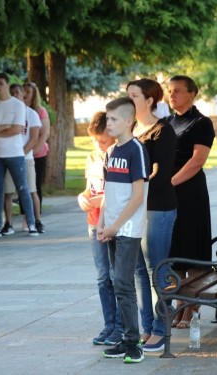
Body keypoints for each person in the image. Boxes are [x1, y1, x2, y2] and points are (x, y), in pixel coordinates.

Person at [98, 97, 150, 363]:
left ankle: (134, 344)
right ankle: (126, 339)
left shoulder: (136, 150)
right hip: (112, 228)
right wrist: (101, 223)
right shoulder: (110, 152)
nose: (109, 123)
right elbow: (108, 192)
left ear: (129, 121)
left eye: (115, 119)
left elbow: (138, 196)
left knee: (123, 284)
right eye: (108, 119)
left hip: (128, 229)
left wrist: (116, 226)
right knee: (118, 283)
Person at [126, 78, 177, 351]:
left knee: (156, 268)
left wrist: (137, 196)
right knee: (139, 272)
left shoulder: (162, 131)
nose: (129, 100)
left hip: (158, 207)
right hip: (136, 208)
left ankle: (161, 329)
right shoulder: (130, 129)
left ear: (149, 100)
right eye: (128, 95)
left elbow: (160, 173)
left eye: (134, 95)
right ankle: (148, 329)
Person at [163, 75, 215, 328]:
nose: (172, 95)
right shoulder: (167, 122)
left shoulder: (201, 122)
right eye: (170, 91)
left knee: (191, 247)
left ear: (192, 93)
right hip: (168, 193)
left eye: (178, 91)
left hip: (190, 190)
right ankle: (179, 301)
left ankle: (191, 307)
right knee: (175, 250)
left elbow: (197, 161)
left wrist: (170, 182)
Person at [78, 111, 122, 346]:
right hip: (94, 222)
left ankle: (120, 326)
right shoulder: (92, 158)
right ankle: (109, 324)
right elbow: (89, 188)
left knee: (116, 276)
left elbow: (119, 193)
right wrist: (82, 197)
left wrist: (100, 200)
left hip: (113, 223)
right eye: (95, 140)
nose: (98, 145)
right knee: (102, 276)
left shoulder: (117, 157)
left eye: (103, 141)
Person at [0, 73, 38, 237]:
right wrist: (4, 127)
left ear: (8, 85)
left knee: (23, 188)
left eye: (1, 83)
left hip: (15, 153)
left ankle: (31, 223)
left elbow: (17, 129)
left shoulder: (17, 105)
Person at [1, 84, 44, 234]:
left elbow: (33, 139)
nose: (15, 96)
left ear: (23, 94)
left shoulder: (31, 114)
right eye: (12, 93)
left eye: (17, 93)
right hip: (8, 156)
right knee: (8, 192)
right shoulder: (8, 113)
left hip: (25, 158)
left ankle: (37, 221)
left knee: (31, 190)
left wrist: (20, 155)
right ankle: (9, 223)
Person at [23, 82, 50, 222]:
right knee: (23, 186)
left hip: (37, 154)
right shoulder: (18, 110)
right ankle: (26, 216)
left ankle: (35, 216)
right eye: (24, 91)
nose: (25, 94)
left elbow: (45, 133)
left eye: (28, 92)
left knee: (35, 185)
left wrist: (35, 149)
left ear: (34, 95)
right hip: (22, 154)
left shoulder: (40, 111)